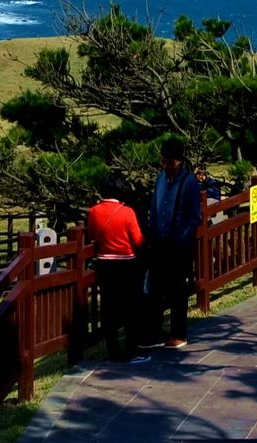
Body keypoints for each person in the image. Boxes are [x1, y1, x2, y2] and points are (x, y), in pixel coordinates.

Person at [144, 139, 203, 349]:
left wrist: (181, 239)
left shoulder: (188, 182)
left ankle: (179, 333)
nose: (167, 166)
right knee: (155, 290)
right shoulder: (159, 179)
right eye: (164, 161)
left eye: (171, 162)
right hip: (159, 243)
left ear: (179, 161)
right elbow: (154, 208)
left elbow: (195, 217)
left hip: (178, 245)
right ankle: (155, 332)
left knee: (177, 290)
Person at [82, 179, 146, 363]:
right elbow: (138, 240)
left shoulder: (93, 211)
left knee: (109, 309)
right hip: (127, 263)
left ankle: (113, 353)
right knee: (130, 308)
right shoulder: (127, 212)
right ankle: (131, 350)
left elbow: (93, 236)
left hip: (105, 264)